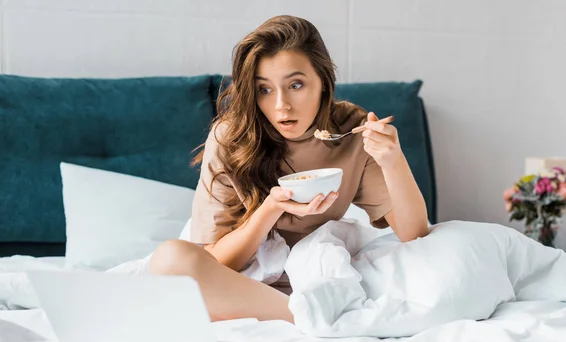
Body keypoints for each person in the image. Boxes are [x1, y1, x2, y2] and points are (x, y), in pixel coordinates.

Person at [149, 15, 429, 323]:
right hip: (242, 280)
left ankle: (308, 315)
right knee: (170, 260)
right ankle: (307, 318)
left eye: (295, 85)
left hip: (320, 274)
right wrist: (268, 211)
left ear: (323, 82)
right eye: (265, 90)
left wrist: (393, 161)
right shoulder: (231, 138)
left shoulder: (351, 129)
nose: (281, 104)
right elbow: (217, 261)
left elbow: (414, 233)